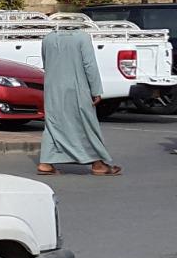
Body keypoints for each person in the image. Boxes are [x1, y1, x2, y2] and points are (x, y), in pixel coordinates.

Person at [38, 28, 121, 176]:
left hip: (53, 87)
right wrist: (96, 90)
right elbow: (90, 65)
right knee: (86, 123)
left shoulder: (48, 39)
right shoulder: (82, 38)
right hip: (76, 86)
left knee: (53, 123)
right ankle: (98, 163)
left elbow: (46, 63)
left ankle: (46, 163)